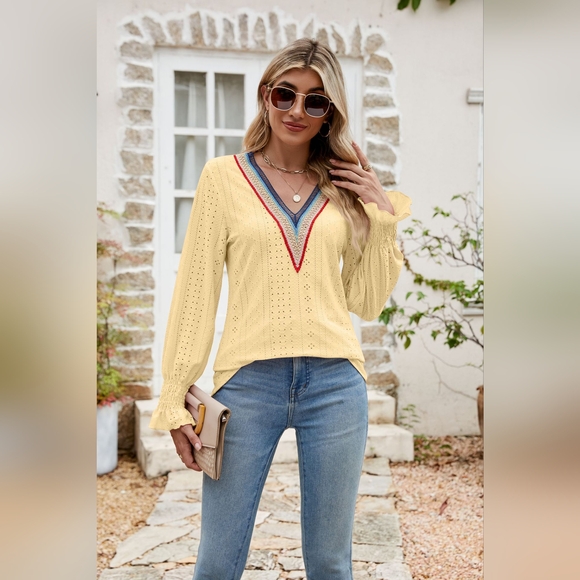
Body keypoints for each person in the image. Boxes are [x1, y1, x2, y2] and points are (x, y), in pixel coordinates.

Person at [149, 37, 412, 580]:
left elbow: (364, 301)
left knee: (331, 563)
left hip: (336, 385)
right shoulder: (223, 177)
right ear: (265, 95)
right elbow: (196, 291)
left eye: (315, 101)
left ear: (329, 113)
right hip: (247, 384)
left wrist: (381, 215)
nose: (296, 110)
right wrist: (176, 396)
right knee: (217, 562)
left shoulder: (343, 191)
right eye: (285, 93)